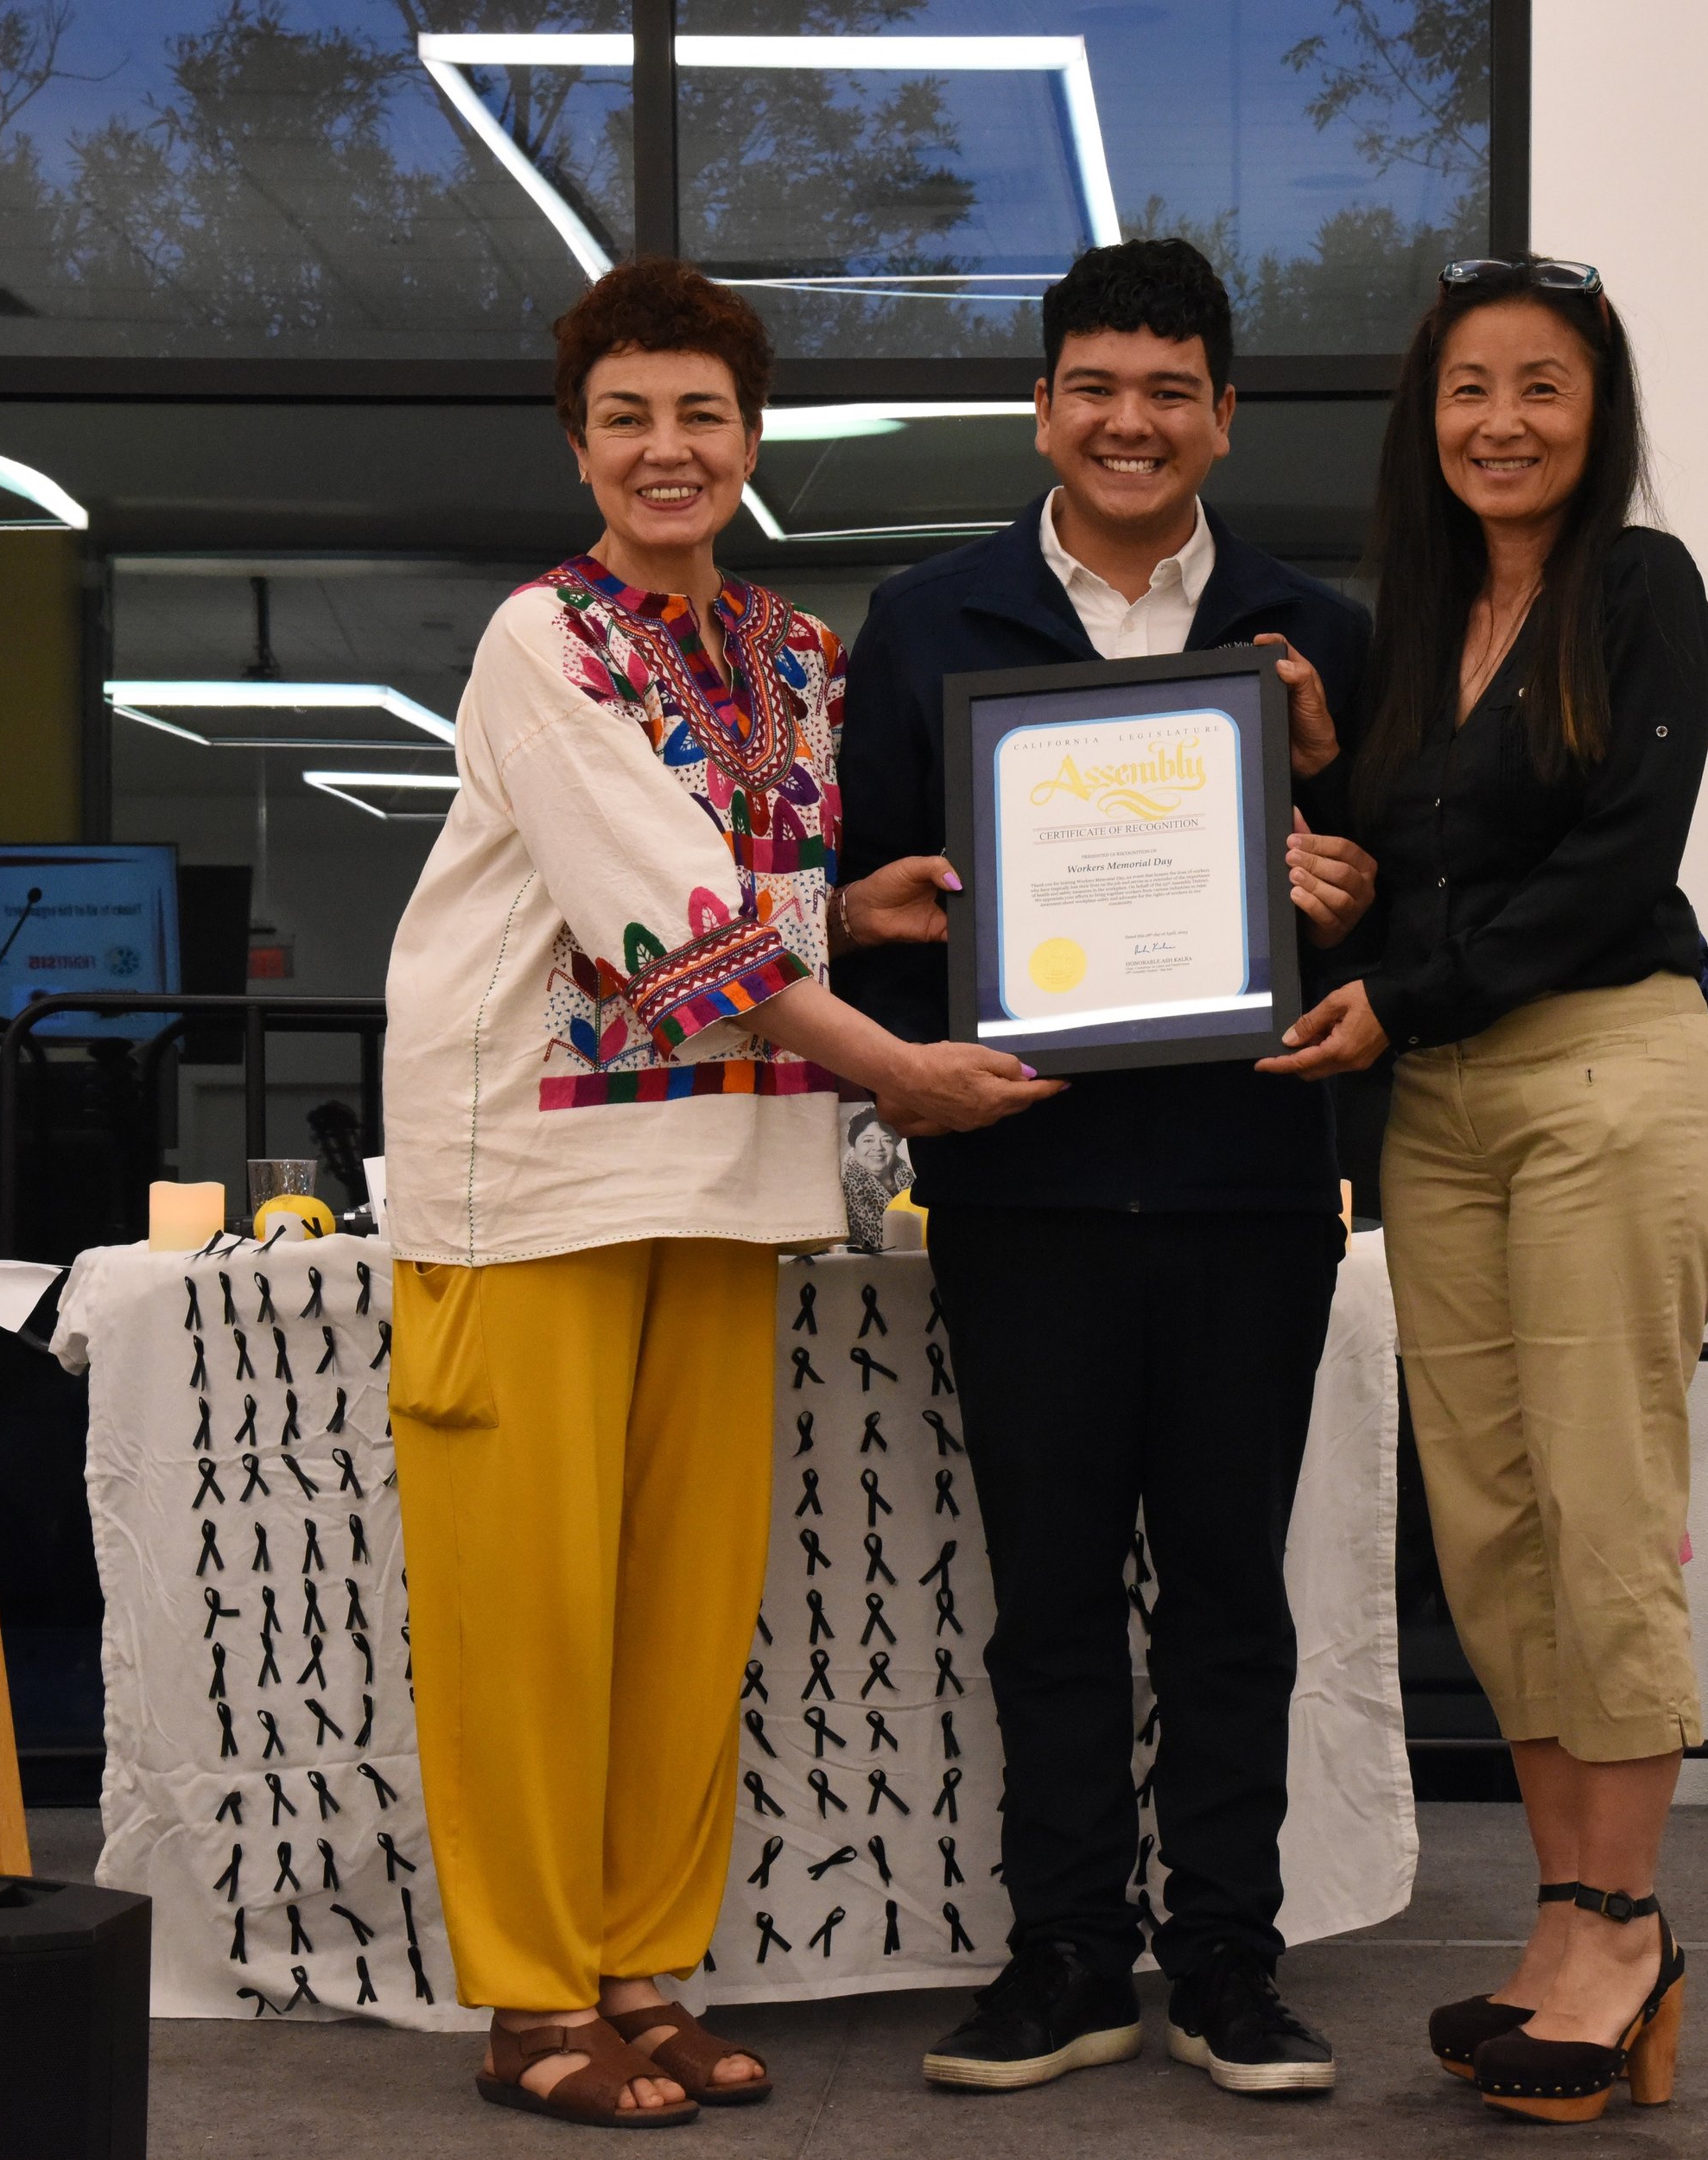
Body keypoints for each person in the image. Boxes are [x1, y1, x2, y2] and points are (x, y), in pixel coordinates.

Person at [381, 257, 1056, 2131]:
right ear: (579, 444)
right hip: (525, 1170)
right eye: (626, 419)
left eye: (698, 415)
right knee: (527, 1612)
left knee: (684, 1608)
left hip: (724, 1164)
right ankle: (526, 1998)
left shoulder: (791, 646)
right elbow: (653, 906)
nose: (664, 449)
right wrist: (891, 1064)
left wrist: (851, 907)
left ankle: (642, 1968)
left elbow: (736, 887)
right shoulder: (546, 635)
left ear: (748, 440)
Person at [835, 238, 1378, 2097]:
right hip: (1022, 1192)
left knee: (1231, 1583)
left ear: (1222, 415)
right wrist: (900, 1002)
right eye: (1092, 385)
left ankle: (1229, 1952)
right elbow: (874, 912)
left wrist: (1351, 885)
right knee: (1051, 1589)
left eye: (1166, 388)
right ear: (1043, 406)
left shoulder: (1321, 630)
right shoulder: (931, 619)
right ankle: (1062, 1950)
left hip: (1246, 1184)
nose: (1127, 421)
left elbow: (1397, 897)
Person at [1258, 253, 1708, 2123]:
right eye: (1469, 388)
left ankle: (1625, 1923)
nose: (1502, 422)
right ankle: (1561, 1920)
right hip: (1441, 1096)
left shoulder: (1636, 589)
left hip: (1605, 1065)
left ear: (1594, 411)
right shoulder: (1420, 617)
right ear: (1423, 415)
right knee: (1491, 1517)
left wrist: (1402, 978)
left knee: (1601, 1492)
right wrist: (1324, 824)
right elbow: (1412, 882)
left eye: (1540, 386)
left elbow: (1617, 861)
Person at [840, 1103, 911, 1251]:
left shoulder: (914, 1185)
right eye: (868, 1140)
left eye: (886, 1140)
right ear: (854, 1145)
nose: (878, 1148)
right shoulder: (840, 1193)